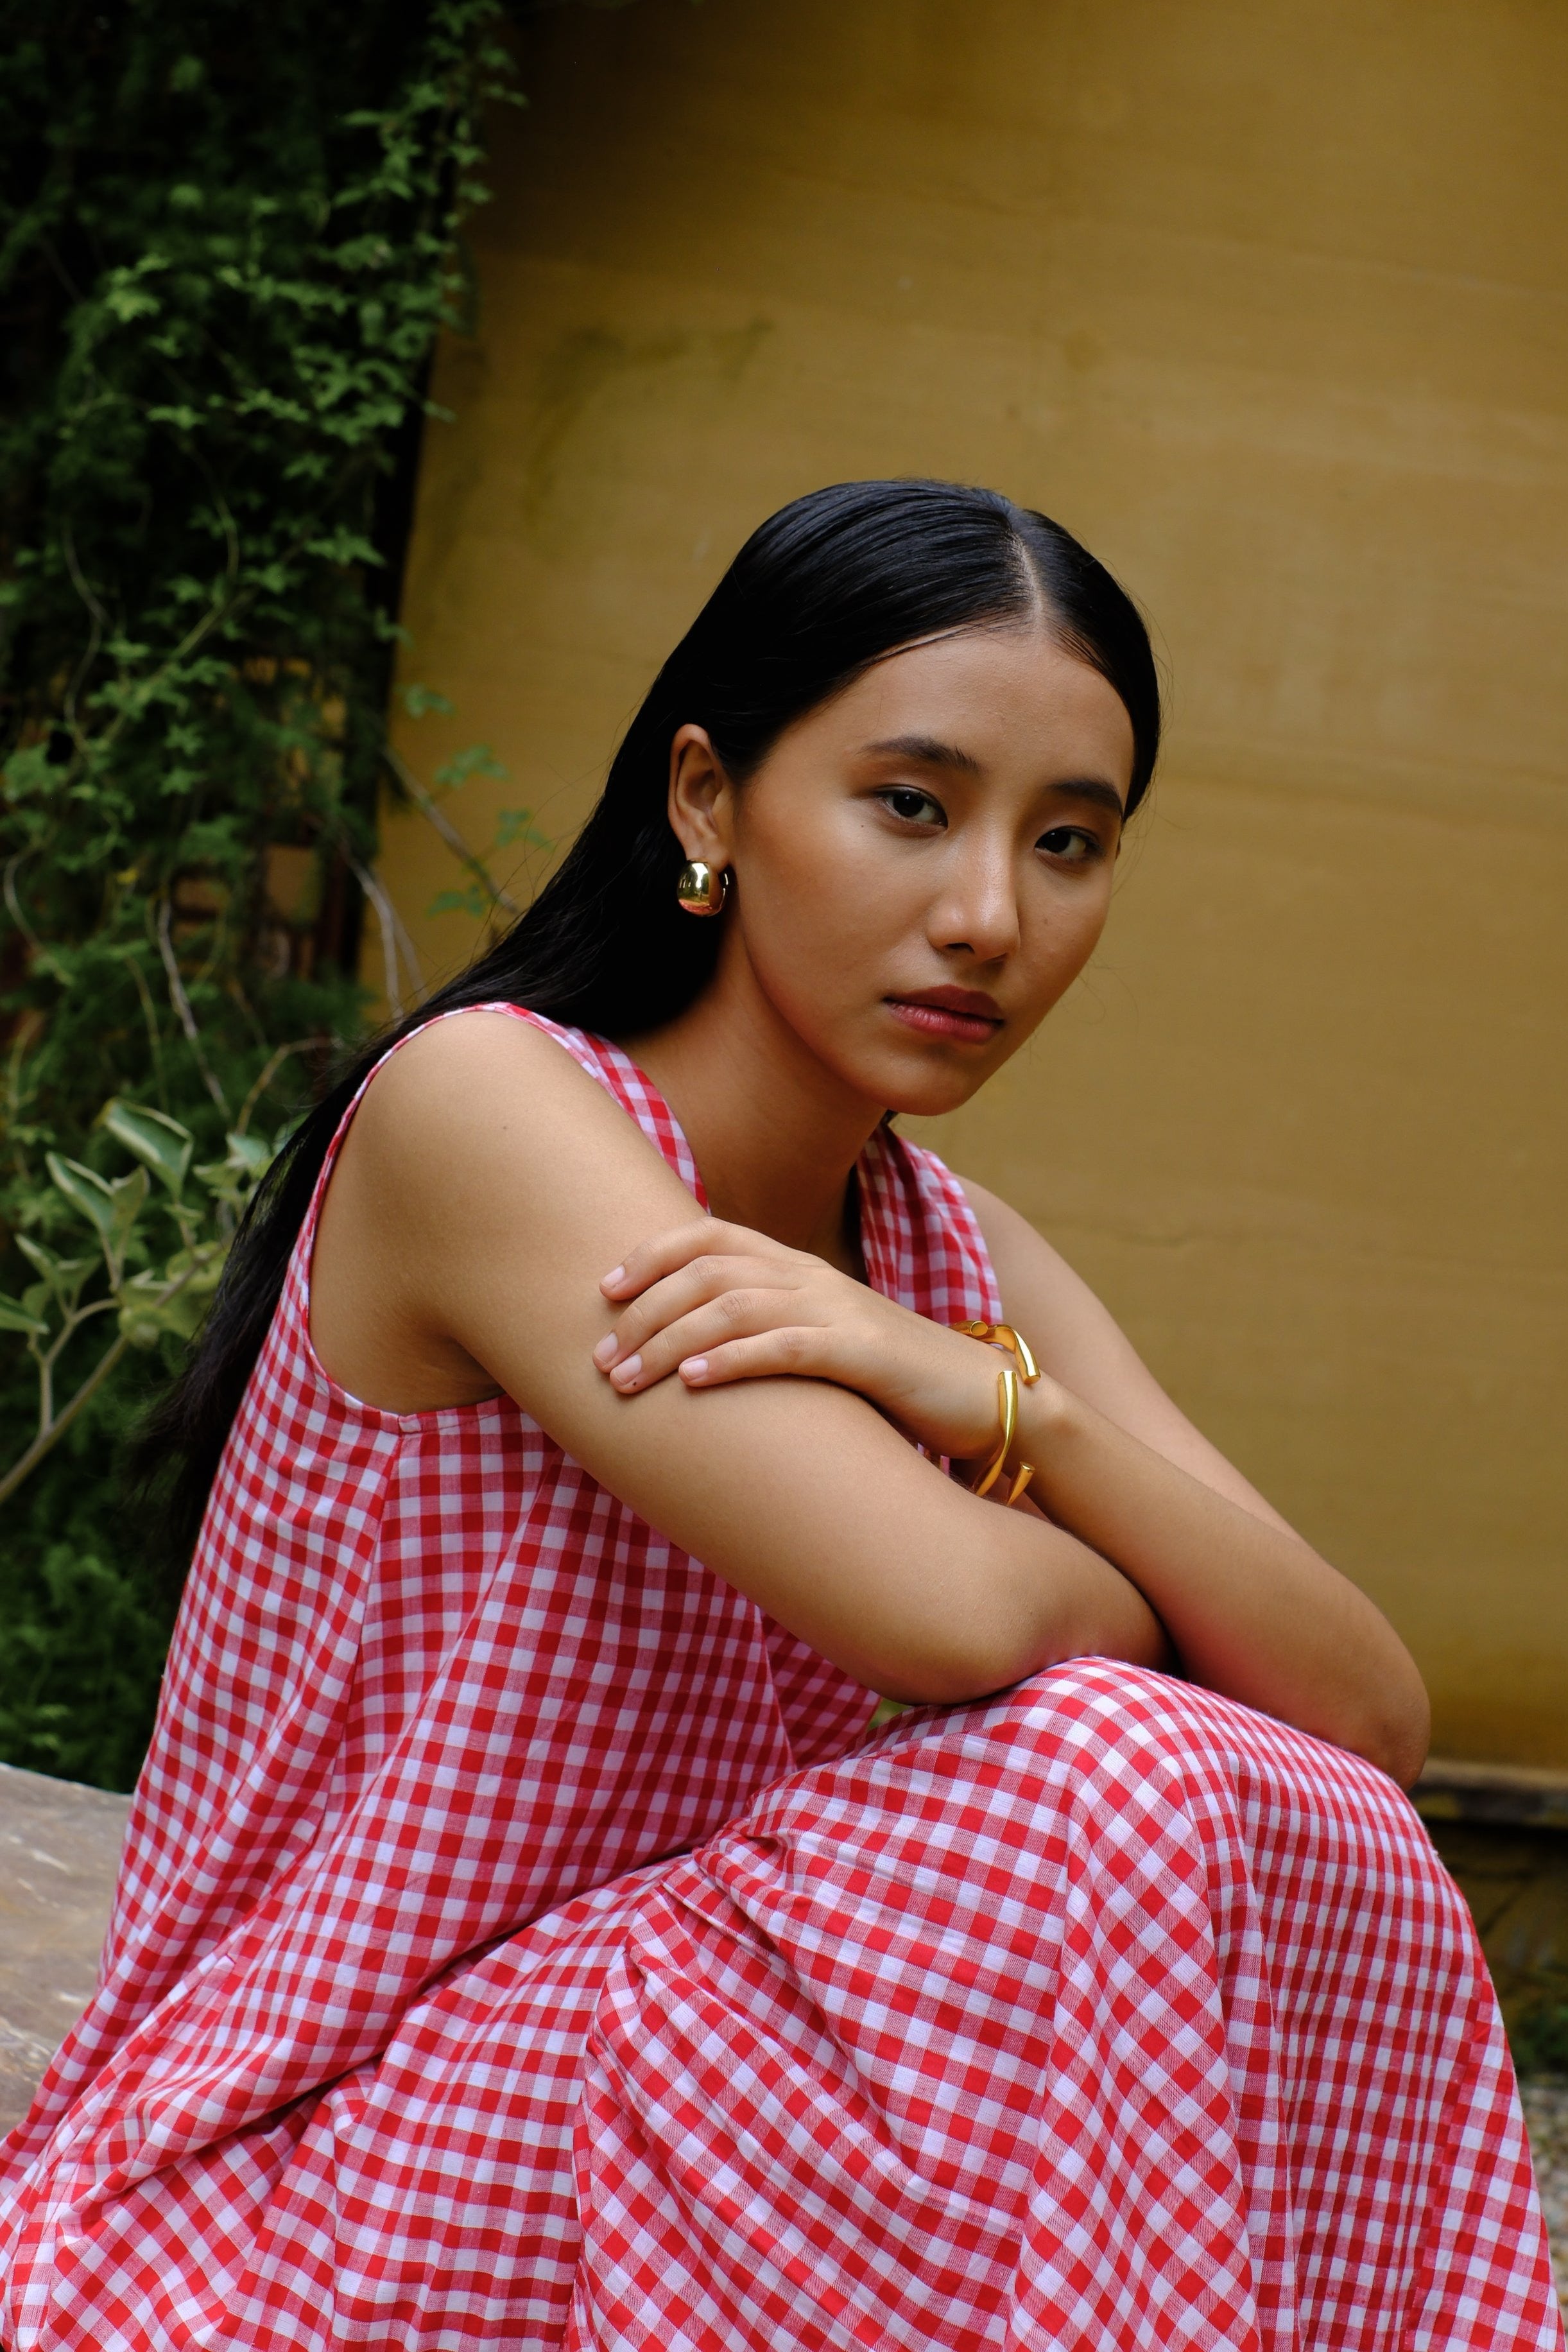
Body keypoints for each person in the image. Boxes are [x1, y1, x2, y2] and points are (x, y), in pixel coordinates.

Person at [0, 480, 1557, 2351]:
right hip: (303, 2171)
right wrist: (1088, 1548)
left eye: (1070, 843)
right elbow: (953, 1619)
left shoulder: (943, 1258)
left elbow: (1363, 1718)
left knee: (1319, 1831)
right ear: (706, 801)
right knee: (1119, 1779)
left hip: (660, 2129)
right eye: (910, 806)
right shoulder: (488, 1111)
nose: (988, 915)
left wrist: (1001, 1408)